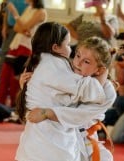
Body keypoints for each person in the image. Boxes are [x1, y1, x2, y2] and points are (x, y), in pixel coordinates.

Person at [15, 22, 116, 161]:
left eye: (86, 62)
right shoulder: (63, 70)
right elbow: (49, 92)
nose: (77, 63)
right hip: (57, 140)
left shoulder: (107, 91)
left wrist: (48, 113)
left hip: (83, 139)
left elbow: (78, 114)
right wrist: (31, 86)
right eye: (77, 55)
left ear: (99, 70)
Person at [0, 0, 47, 108]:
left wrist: (15, 14)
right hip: (16, 44)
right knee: (5, 74)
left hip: (27, 47)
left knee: (17, 78)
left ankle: (14, 107)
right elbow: (17, 27)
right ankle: (0, 104)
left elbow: (24, 26)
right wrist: (23, 28)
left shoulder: (41, 12)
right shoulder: (28, 9)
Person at [0, 0, 27, 71]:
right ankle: (1, 79)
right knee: (4, 53)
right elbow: (6, 11)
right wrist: (5, 26)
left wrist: (15, 13)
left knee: (17, 55)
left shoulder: (31, 2)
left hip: (23, 30)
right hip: (10, 28)